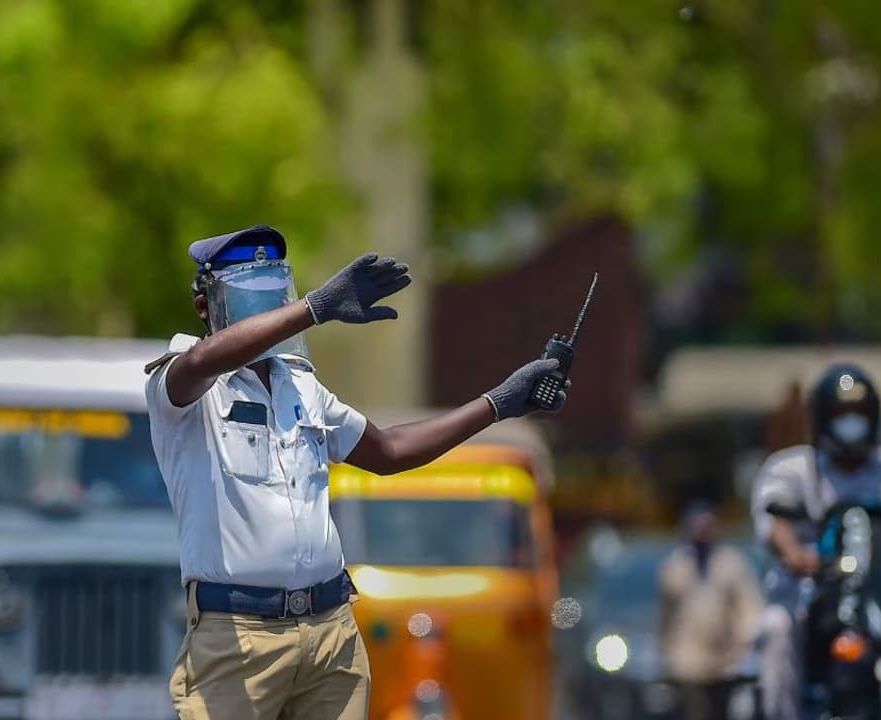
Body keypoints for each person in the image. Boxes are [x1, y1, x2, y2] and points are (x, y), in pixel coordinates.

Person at [144, 225, 570, 720]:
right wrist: (316, 307)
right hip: (238, 637)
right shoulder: (183, 383)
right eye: (248, 298)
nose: (266, 311)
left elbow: (388, 451)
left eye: (273, 295)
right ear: (205, 307)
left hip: (330, 632)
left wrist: (498, 403)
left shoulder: (300, 386)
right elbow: (202, 360)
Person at [751, 362, 881, 720]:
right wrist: (796, 555)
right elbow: (776, 523)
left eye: (859, 413)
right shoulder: (792, 470)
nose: (852, 424)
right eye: (842, 415)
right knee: (776, 629)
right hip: (810, 598)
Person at [659, 501, 763, 720]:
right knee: (695, 712)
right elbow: (666, 615)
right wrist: (665, 652)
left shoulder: (731, 562)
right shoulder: (675, 566)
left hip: (725, 660)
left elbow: (748, 605)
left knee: (721, 712)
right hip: (687, 660)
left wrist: (748, 638)